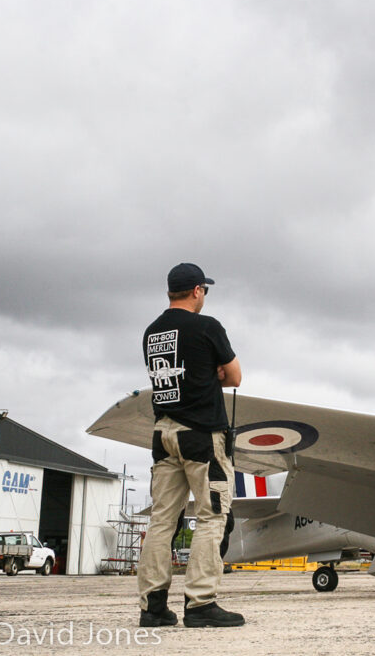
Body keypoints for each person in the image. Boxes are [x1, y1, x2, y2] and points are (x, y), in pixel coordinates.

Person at [137, 263, 245, 627]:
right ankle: (200, 603)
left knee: (162, 520)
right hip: (202, 435)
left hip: (163, 435)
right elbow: (235, 376)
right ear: (197, 290)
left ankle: (153, 608)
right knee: (212, 516)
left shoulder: (152, 332)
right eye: (205, 291)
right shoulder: (207, 327)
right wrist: (212, 371)